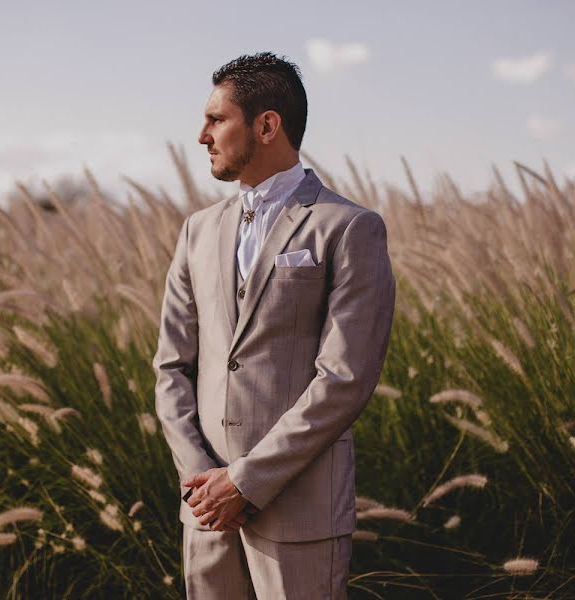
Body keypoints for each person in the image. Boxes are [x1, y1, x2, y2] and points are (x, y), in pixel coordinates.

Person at [152, 52, 396, 599]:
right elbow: (171, 365)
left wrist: (245, 481)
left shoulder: (349, 229)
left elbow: (345, 379)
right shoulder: (196, 231)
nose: (201, 135)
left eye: (217, 120)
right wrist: (203, 482)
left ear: (266, 125)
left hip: (299, 517)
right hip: (206, 516)